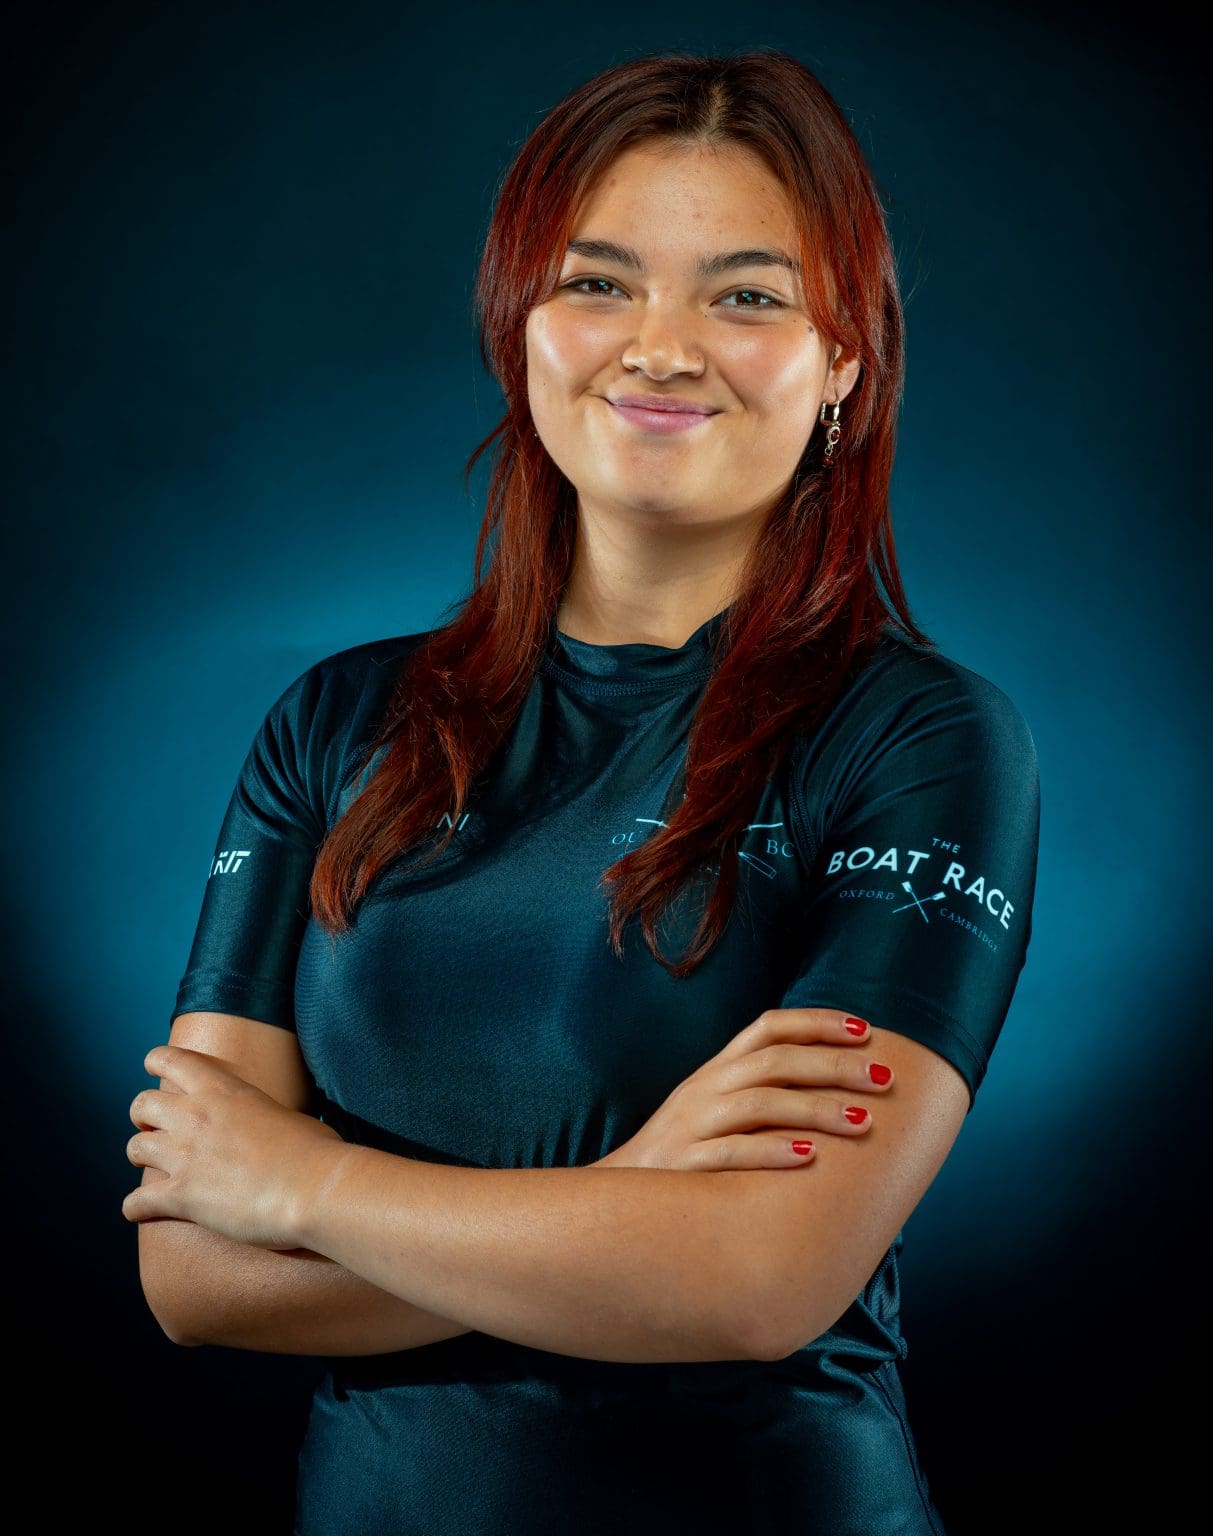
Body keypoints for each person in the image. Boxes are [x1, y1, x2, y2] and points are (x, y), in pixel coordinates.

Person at [123, 46, 1041, 1536]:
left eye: (746, 297)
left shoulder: (921, 740)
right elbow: (190, 1275)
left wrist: (301, 1188)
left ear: (843, 363)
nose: (662, 348)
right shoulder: (337, 725)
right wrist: (631, 1195)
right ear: (520, 329)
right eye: (599, 283)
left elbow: (758, 1282)